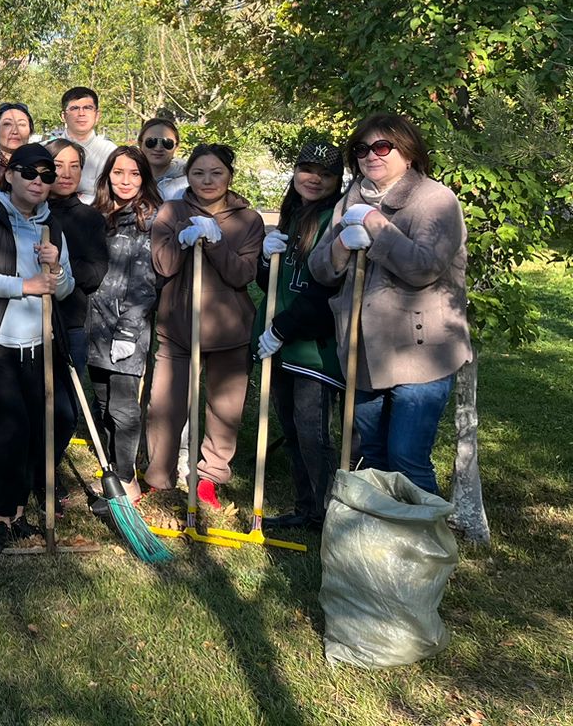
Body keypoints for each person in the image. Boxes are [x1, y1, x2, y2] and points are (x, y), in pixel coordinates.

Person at [307, 114, 470, 496]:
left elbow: (424, 268)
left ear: (408, 153)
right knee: (373, 455)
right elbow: (320, 270)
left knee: (407, 457)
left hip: (421, 352)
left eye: (383, 147)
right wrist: (342, 244)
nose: (371, 156)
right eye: (362, 149)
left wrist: (377, 225)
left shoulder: (435, 199)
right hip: (362, 354)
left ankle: (423, 547)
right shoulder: (351, 199)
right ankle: (381, 543)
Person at [142, 143, 264, 527]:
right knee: (166, 405)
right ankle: (159, 480)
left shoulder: (248, 219)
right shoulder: (171, 210)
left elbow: (242, 275)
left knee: (224, 411)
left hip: (230, 331)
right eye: (199, 173)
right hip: (178, 327)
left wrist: (215, 242)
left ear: (229, 175)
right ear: (188, 176)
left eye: (216, 173)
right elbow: (162, 265)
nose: (207, 181)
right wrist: (181, 235)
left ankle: (210, 477)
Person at [0, 142, 75, 551]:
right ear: (10, 176)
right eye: (30, 173)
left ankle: (20, 513)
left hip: (40, 346)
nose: (39, 182)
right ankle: (1, 517)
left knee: (44, 425)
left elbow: (66, 288)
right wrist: (26, 286)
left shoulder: (51, 227)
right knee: (11, 431)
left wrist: (55, 268)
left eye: (46, 176)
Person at [255, 139, 345, 529]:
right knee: (290, 428)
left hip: (312, 347)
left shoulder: (334, 221)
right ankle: (306, 507)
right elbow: (271, 284)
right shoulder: (293, 215)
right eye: (308, 170)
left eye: (326, 174)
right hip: (279, 343)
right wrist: (264, 257)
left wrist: (281, 328)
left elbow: (325, 293)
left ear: (338, 180)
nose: (315, 179)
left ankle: (329, 514)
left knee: (313, 434)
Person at [84, 146, 162, 502]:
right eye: (118, 173)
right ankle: (111, 471)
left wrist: (129, 330)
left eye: (134, 174)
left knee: (123, 408)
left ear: (144, 178)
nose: (126, 181)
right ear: (107, 175)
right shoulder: (97, 214)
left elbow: (147, 280)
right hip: (94, 326)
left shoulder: (148, 219)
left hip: (125, 328)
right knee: (101, 403)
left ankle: (128, 481)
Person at [45, 137, 109, 503]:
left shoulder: (88, 218)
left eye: (74, 166)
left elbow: (95, 272)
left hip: (69, 322)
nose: (66, 174)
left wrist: (60, 269)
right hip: (24, 324)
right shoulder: (29, 213)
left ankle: (47, 471)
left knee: (66, 409)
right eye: (58, 165)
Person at [47, 87, 116, 206]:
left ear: (97, 115)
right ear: (63, 116)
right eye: (74, 108)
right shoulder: (46, 150)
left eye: (88, 108)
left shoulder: (111, 152)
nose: (81, 114)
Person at [139, 117, 187, 200]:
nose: (158, 148)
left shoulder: (188, 183)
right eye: (151, 142)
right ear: (140, 143)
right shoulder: (127, 180)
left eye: (167, 143)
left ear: (177, 147)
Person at [0, 102, 35, 192]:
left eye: (22, 124)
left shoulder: (39, 164)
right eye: (7, 124)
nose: (15, 131)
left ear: (30, 130)